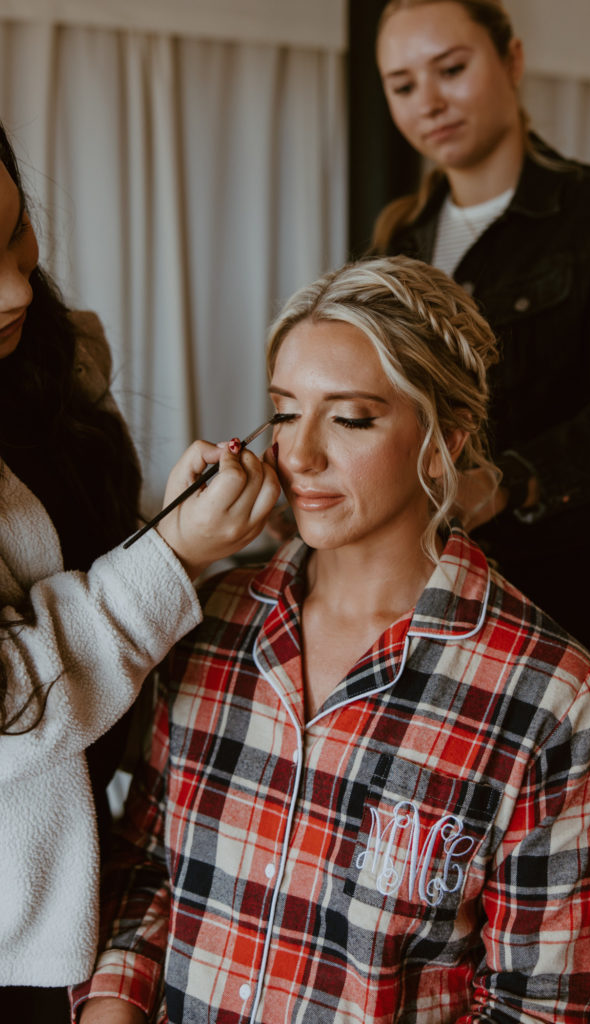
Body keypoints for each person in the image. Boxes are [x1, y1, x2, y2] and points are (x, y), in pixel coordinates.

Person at [73, 256, 590, 1024]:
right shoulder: (208, 619)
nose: (298, 456)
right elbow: (148, 867)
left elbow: (539, 1007)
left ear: (443, 440)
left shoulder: (547, 692)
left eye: (351, 418)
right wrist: (110, 1009)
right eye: (286, 412)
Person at [0, 120, 280, 1019]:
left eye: (13, 235)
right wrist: (175, 557)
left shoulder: (53, 354)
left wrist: (159, 531)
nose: (14, 287)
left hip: (79, 865)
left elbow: (81, 563)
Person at [371, 0, 590, 795]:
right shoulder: (396, 243)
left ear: (509, 60)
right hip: (425, 595)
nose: (428, 102)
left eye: (451, 68)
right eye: (402, 84)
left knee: (564, 858)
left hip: (572, 593)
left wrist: (505, 480)